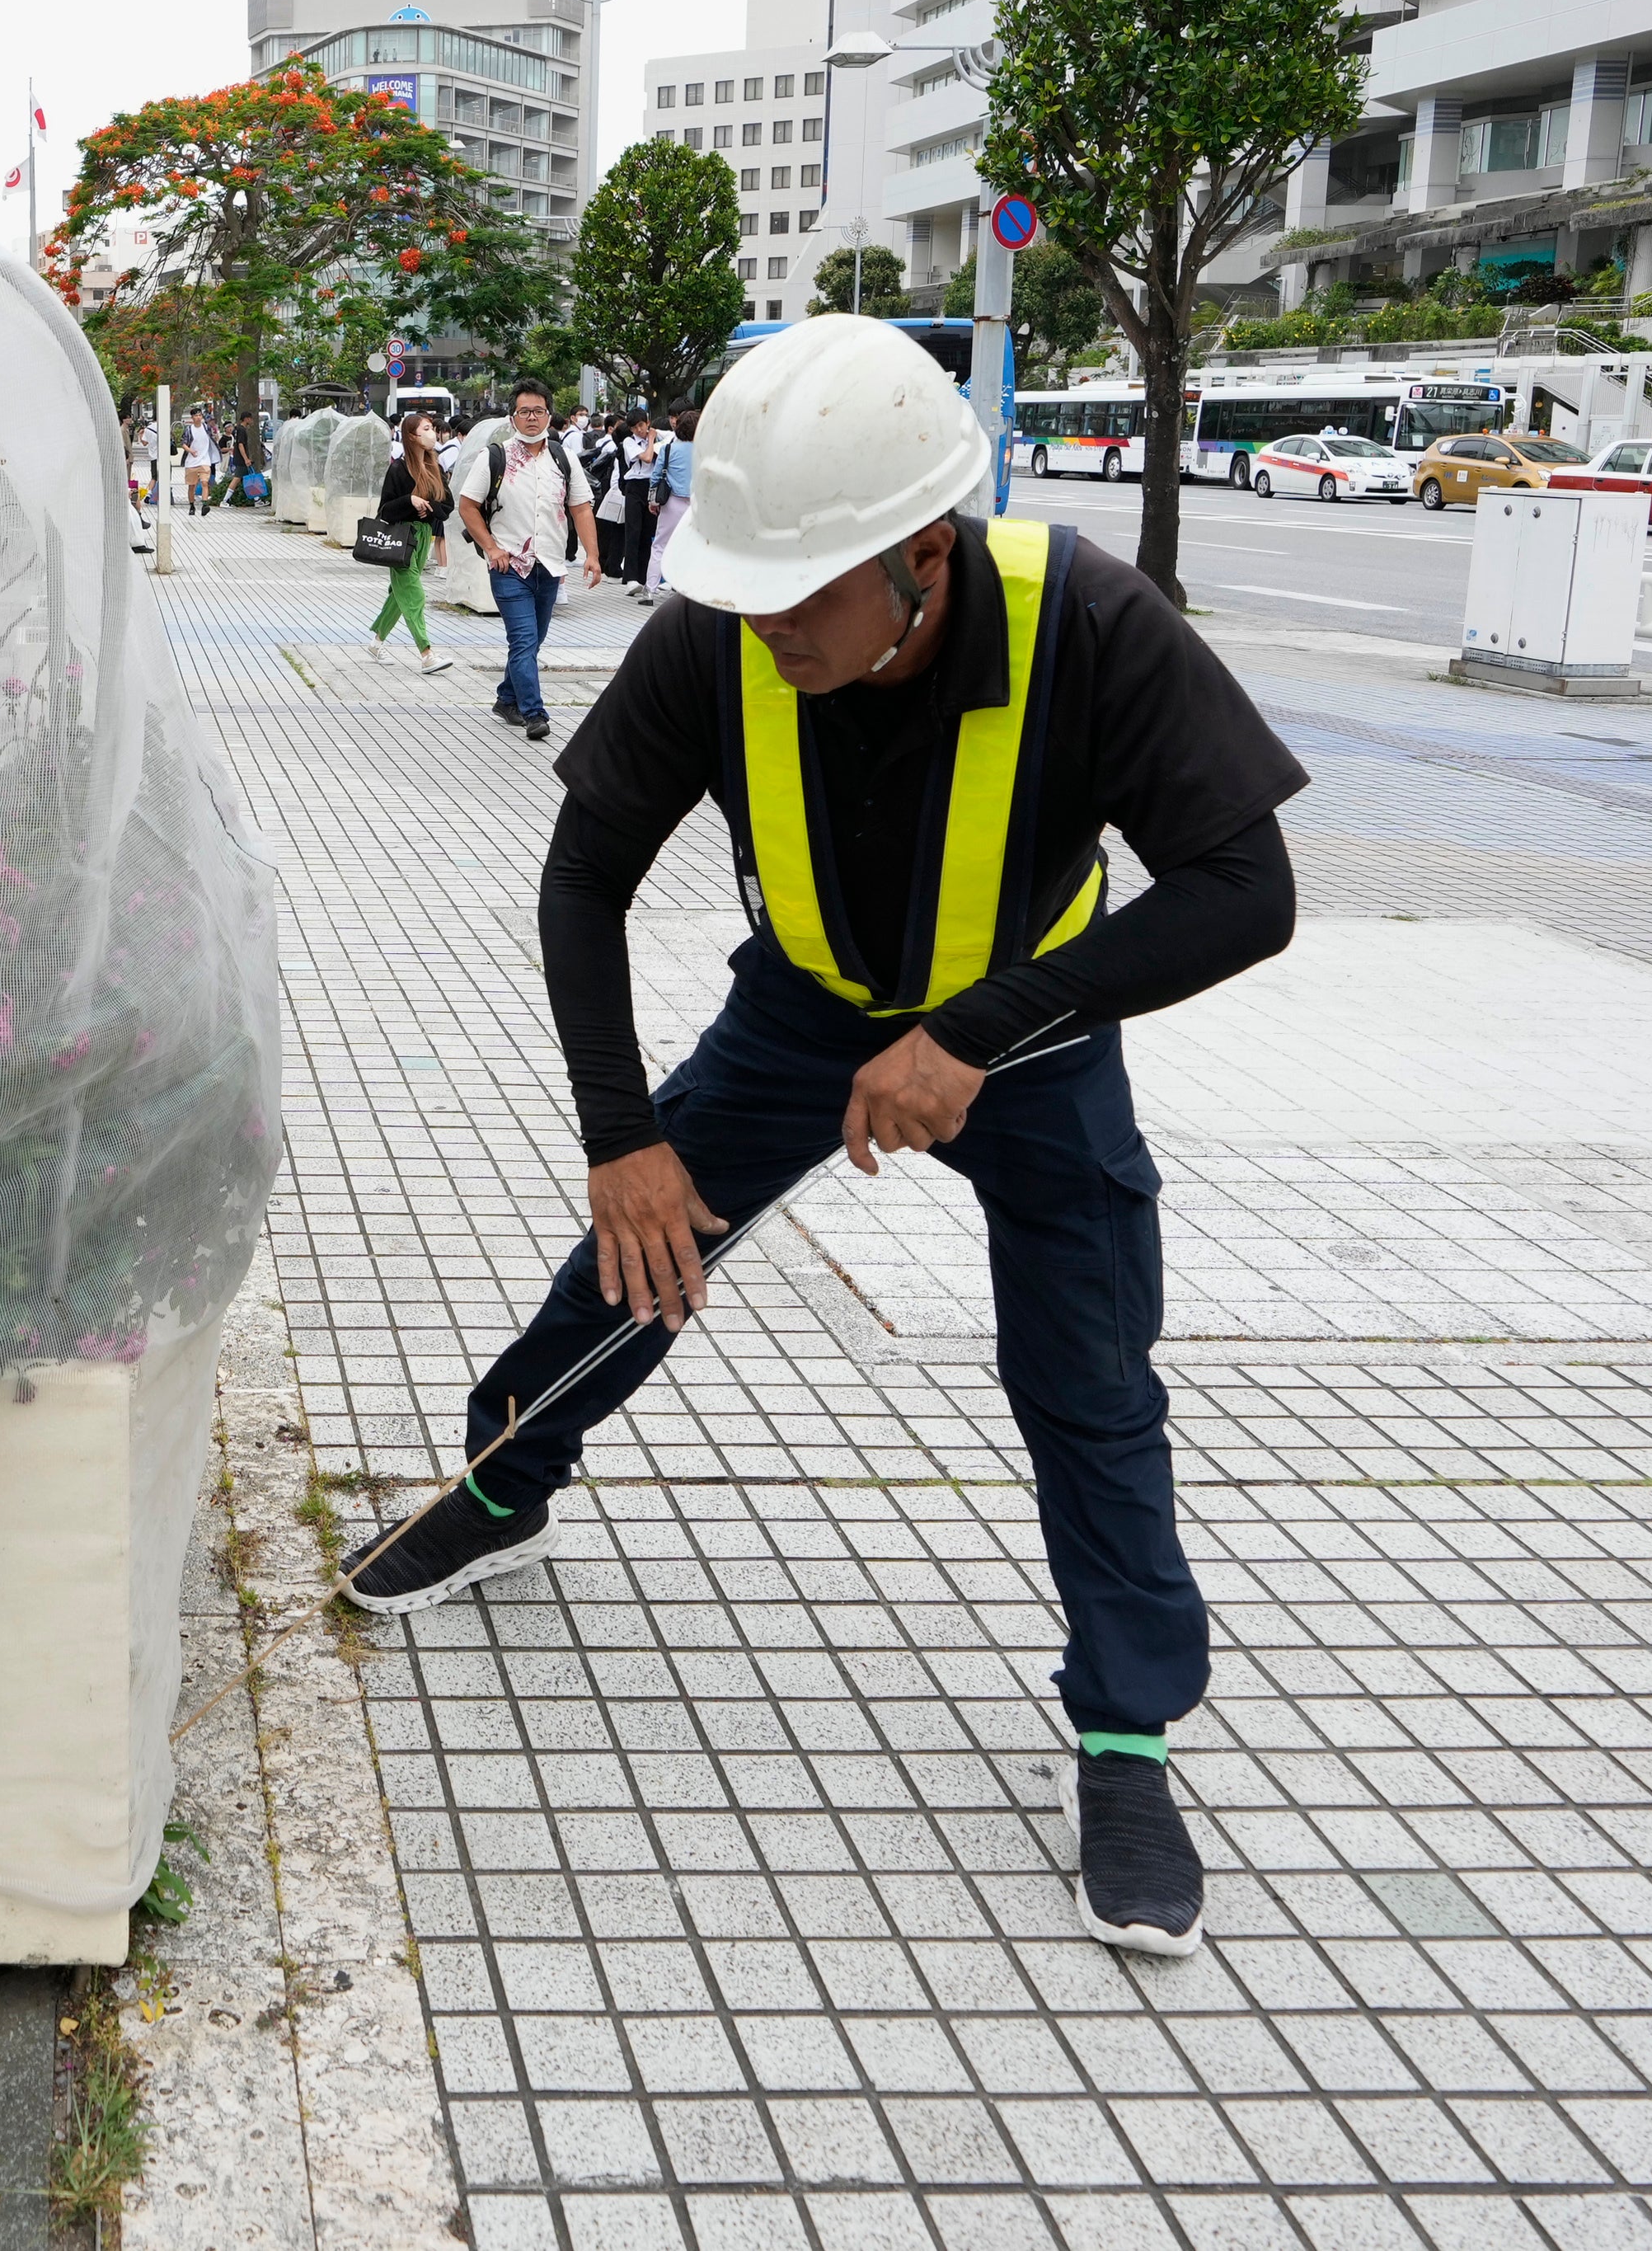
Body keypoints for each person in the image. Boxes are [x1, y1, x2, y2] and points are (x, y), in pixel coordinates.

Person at [338, 313, 1307, 1961]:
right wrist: (620, 1134)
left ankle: (1129, 1729)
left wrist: (979, 1033)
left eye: (808, 594)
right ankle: (507, 1481)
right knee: (631, 1259)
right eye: (746, 588)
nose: (768, 624)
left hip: (1033, 1032)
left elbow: (1249, 892)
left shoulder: (1083, 619)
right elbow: (585, 875)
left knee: (1085, 1369)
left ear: (922, 553)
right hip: (801, 1009)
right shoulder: (723, 628)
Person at [455, 378, 598, 739]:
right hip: (508, 567)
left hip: (549, 566)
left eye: (538, 411)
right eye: (524, 412)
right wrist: (491, 547)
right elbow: (468, 505)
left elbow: (580, 508)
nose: (532, 418)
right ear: (513, 416)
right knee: (522, 639)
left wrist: (592, 556)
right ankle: (534, 712)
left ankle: (506, 698)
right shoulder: (495, 456)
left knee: (532, 642)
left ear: (549, 415)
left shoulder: (563, 459)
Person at [367, 403, 456, 674]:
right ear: (412, 436)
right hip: (401, 538)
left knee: (399, 595)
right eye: (426, 429)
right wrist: (410, 501)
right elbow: (385, 510)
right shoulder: (398, 469)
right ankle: (427, 653)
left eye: (432, 429)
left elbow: (448, 506)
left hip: (424, 536)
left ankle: (377, 641)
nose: (433, 434)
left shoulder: (435, 467)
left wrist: (429, 506)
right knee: (414, 594)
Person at [595, 405, 667, 600]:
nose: (639, 430)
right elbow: (646, 457)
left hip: (652, 487)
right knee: (633, 531)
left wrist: (655, 434)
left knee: (648, 534)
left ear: (648, 422)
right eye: (635, 427)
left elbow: (673, 437)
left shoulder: (659, 437)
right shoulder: (628, 441)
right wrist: (651, 439)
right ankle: (631, 578)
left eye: (642, 425)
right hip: (634, 487)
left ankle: (645, 578)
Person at [648, 408, 699, 599]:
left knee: (660, 545)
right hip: (696, 505)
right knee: (691, 546)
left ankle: (650, 589)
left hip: (672, 503)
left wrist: (652, 501)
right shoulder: (706, 450)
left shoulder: (669, 449)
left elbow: (656, 476)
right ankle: (685, 589)